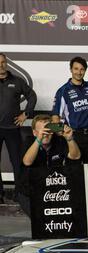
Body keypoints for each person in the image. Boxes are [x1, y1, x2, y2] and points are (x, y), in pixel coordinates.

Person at [18, 114, 81, 216]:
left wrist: (69, 139)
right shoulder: (29, 142)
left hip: (52, 190)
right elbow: (27, 162)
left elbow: (75, 156)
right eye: (42, 130)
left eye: (48, 129)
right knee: (40, 219)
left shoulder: (58, 141)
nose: (46, 134)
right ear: (34, 132)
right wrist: (38, 140)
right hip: (29, 191)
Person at [52, 56, 88, 163]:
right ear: (71, 69)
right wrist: (62, 133)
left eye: (82, 69)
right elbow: (55, 117)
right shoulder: (63, 91)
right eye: (76, 69)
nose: (79, 72)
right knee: (74, 171)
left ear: (85, 70)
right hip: (74, 136)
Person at [0, 53, 37, 203]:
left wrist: (26, 114)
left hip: (12, 129)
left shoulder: (17, 81)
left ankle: (19, 194)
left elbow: (32, 96)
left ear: (6, 63)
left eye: (3, 62)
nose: (1, 65)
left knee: (17, 162)